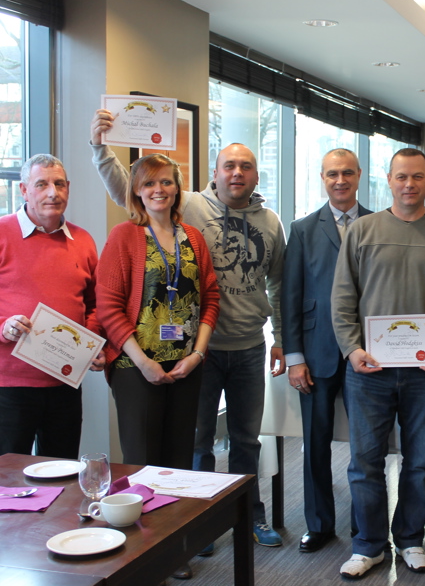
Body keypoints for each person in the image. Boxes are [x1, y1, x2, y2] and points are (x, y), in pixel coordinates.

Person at [91, 110, 286, 549]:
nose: (159, 190)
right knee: (174, 452)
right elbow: (108, 303)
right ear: (213, 174)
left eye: (246, 167)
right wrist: (99, 148)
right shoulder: (154, 222)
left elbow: (256, 287)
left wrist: (280, 342)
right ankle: (173, 538)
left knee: (230, 444)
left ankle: (225, 523)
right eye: (228, 166)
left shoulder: (232, 229)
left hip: (221, 352)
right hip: (164, 358)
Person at [332, 148, 425, 579]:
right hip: (368, 372)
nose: (408, 184)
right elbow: (343, 298)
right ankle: (369, 545)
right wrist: (351, 348)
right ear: (388, 179)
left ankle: (411, 539)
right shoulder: (362, 230)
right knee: (365, 462)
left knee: (419, 461)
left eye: (416, 177)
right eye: (401, 177)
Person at [96, 153, 219, 471]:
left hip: (186, 367)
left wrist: (198, 355)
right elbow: (109, 309)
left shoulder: (193, 238)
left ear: (177, 188)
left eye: (166, 181)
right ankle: (142, 522)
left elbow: (211, 299)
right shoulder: (124, 236)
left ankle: (179, 521)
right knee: (143, 462)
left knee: (179, 462)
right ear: (136, 190)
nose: (158, 189)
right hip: (136, 367)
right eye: (149, 183)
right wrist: (144, 363)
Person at [282, 148, 372, 553]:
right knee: (315, 443)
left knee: (365, 446)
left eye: (347, 173)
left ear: (359, 176)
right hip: (316, 353)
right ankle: (318, 524)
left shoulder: (378, 224)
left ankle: (365, 527)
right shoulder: (302, 230)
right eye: (333, 174)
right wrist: (294, 357)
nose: (340, 180)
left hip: (366, 351)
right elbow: (291, 295)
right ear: (322, 177)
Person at [0, 154, 104, 458]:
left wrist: (92, 344)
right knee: (8, 483)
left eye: (59, 184)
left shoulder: (83, 240)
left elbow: (94, 304)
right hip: (11, 385)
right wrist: (3, 326)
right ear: (24, 190)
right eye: (41, 184)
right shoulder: (2, 234)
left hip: (65, 382)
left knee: (62, 473)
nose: (52, 193)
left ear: (68, 188)